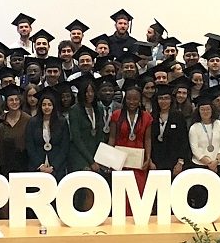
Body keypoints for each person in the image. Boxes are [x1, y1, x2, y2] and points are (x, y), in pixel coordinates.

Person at [109, 82, 153, 213]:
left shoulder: (146, 117)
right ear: (124, 99)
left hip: (138, 161)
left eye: (135, 99)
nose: (132, 102)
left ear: (140, 100)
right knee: (121, 194)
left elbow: (147, 139)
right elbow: (112, 138)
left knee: (138, 192)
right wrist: (109, 159)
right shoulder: (116, 115)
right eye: (129, 99)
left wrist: (148, 158)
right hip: (120, 160)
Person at [68, 77, 106, 206]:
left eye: (92, 91)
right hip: (80, 155)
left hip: (95, 153)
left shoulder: (99, 108)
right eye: (86, 91)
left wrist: (99, 158)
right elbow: (76, 138)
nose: (89, 94)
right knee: (85, 187)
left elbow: (100, 135)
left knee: (98, 186)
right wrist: (91, 161)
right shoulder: (75, 110)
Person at [188, 92, 220, 207]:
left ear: (212, 110)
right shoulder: (194, 127)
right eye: (202, 109)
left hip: (218, 164)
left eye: (208, 109)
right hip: (200, 165)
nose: (205, 112)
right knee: (201, 194)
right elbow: (195, 148)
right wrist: (209, 163)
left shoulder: (219, 124)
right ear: (198, 111)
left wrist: (216, 161)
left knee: (216, 193)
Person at [26, 87, 70, 181]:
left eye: (49, 105)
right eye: (44, 105)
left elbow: (64, 147)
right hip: (37, 167)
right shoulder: (32, 122)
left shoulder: (62, 122)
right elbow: (30, 145)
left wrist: (54, 166)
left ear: (54, 106)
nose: (46, 107)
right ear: (40, 106)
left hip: (57, 167)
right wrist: (40, 165)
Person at [151, 84, 189, 178]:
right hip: (155, 161)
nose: (163, 101)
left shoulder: (178, 116)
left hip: (173, 161)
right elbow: (148, 140)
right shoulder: (152, 117)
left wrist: (180, 162)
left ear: (171, 100)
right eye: (160, 98)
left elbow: (183, 140)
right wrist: (150, 161)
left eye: (166, 98)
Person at [0, 85, 30, 172]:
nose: (14, 102)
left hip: (24, 163)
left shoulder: (28, 119)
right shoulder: (1, 120)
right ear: (6, 102)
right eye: (11, 100)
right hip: (6, 163)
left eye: (16, 99)